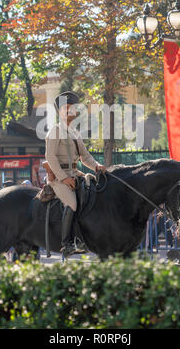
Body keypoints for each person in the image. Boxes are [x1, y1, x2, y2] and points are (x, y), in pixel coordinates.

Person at [45, 91, 107, 258]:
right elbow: (50, 157)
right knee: (72, 203)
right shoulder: (55, 131)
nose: (69, 111)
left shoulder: (75, 133)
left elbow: (85, 156)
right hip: (59, 177)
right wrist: (63, 178)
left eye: (72, 108)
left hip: (74, 173)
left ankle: (83, 238)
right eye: (66, 108)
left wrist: (96, 166)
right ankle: (66, 244)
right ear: (59, 112)